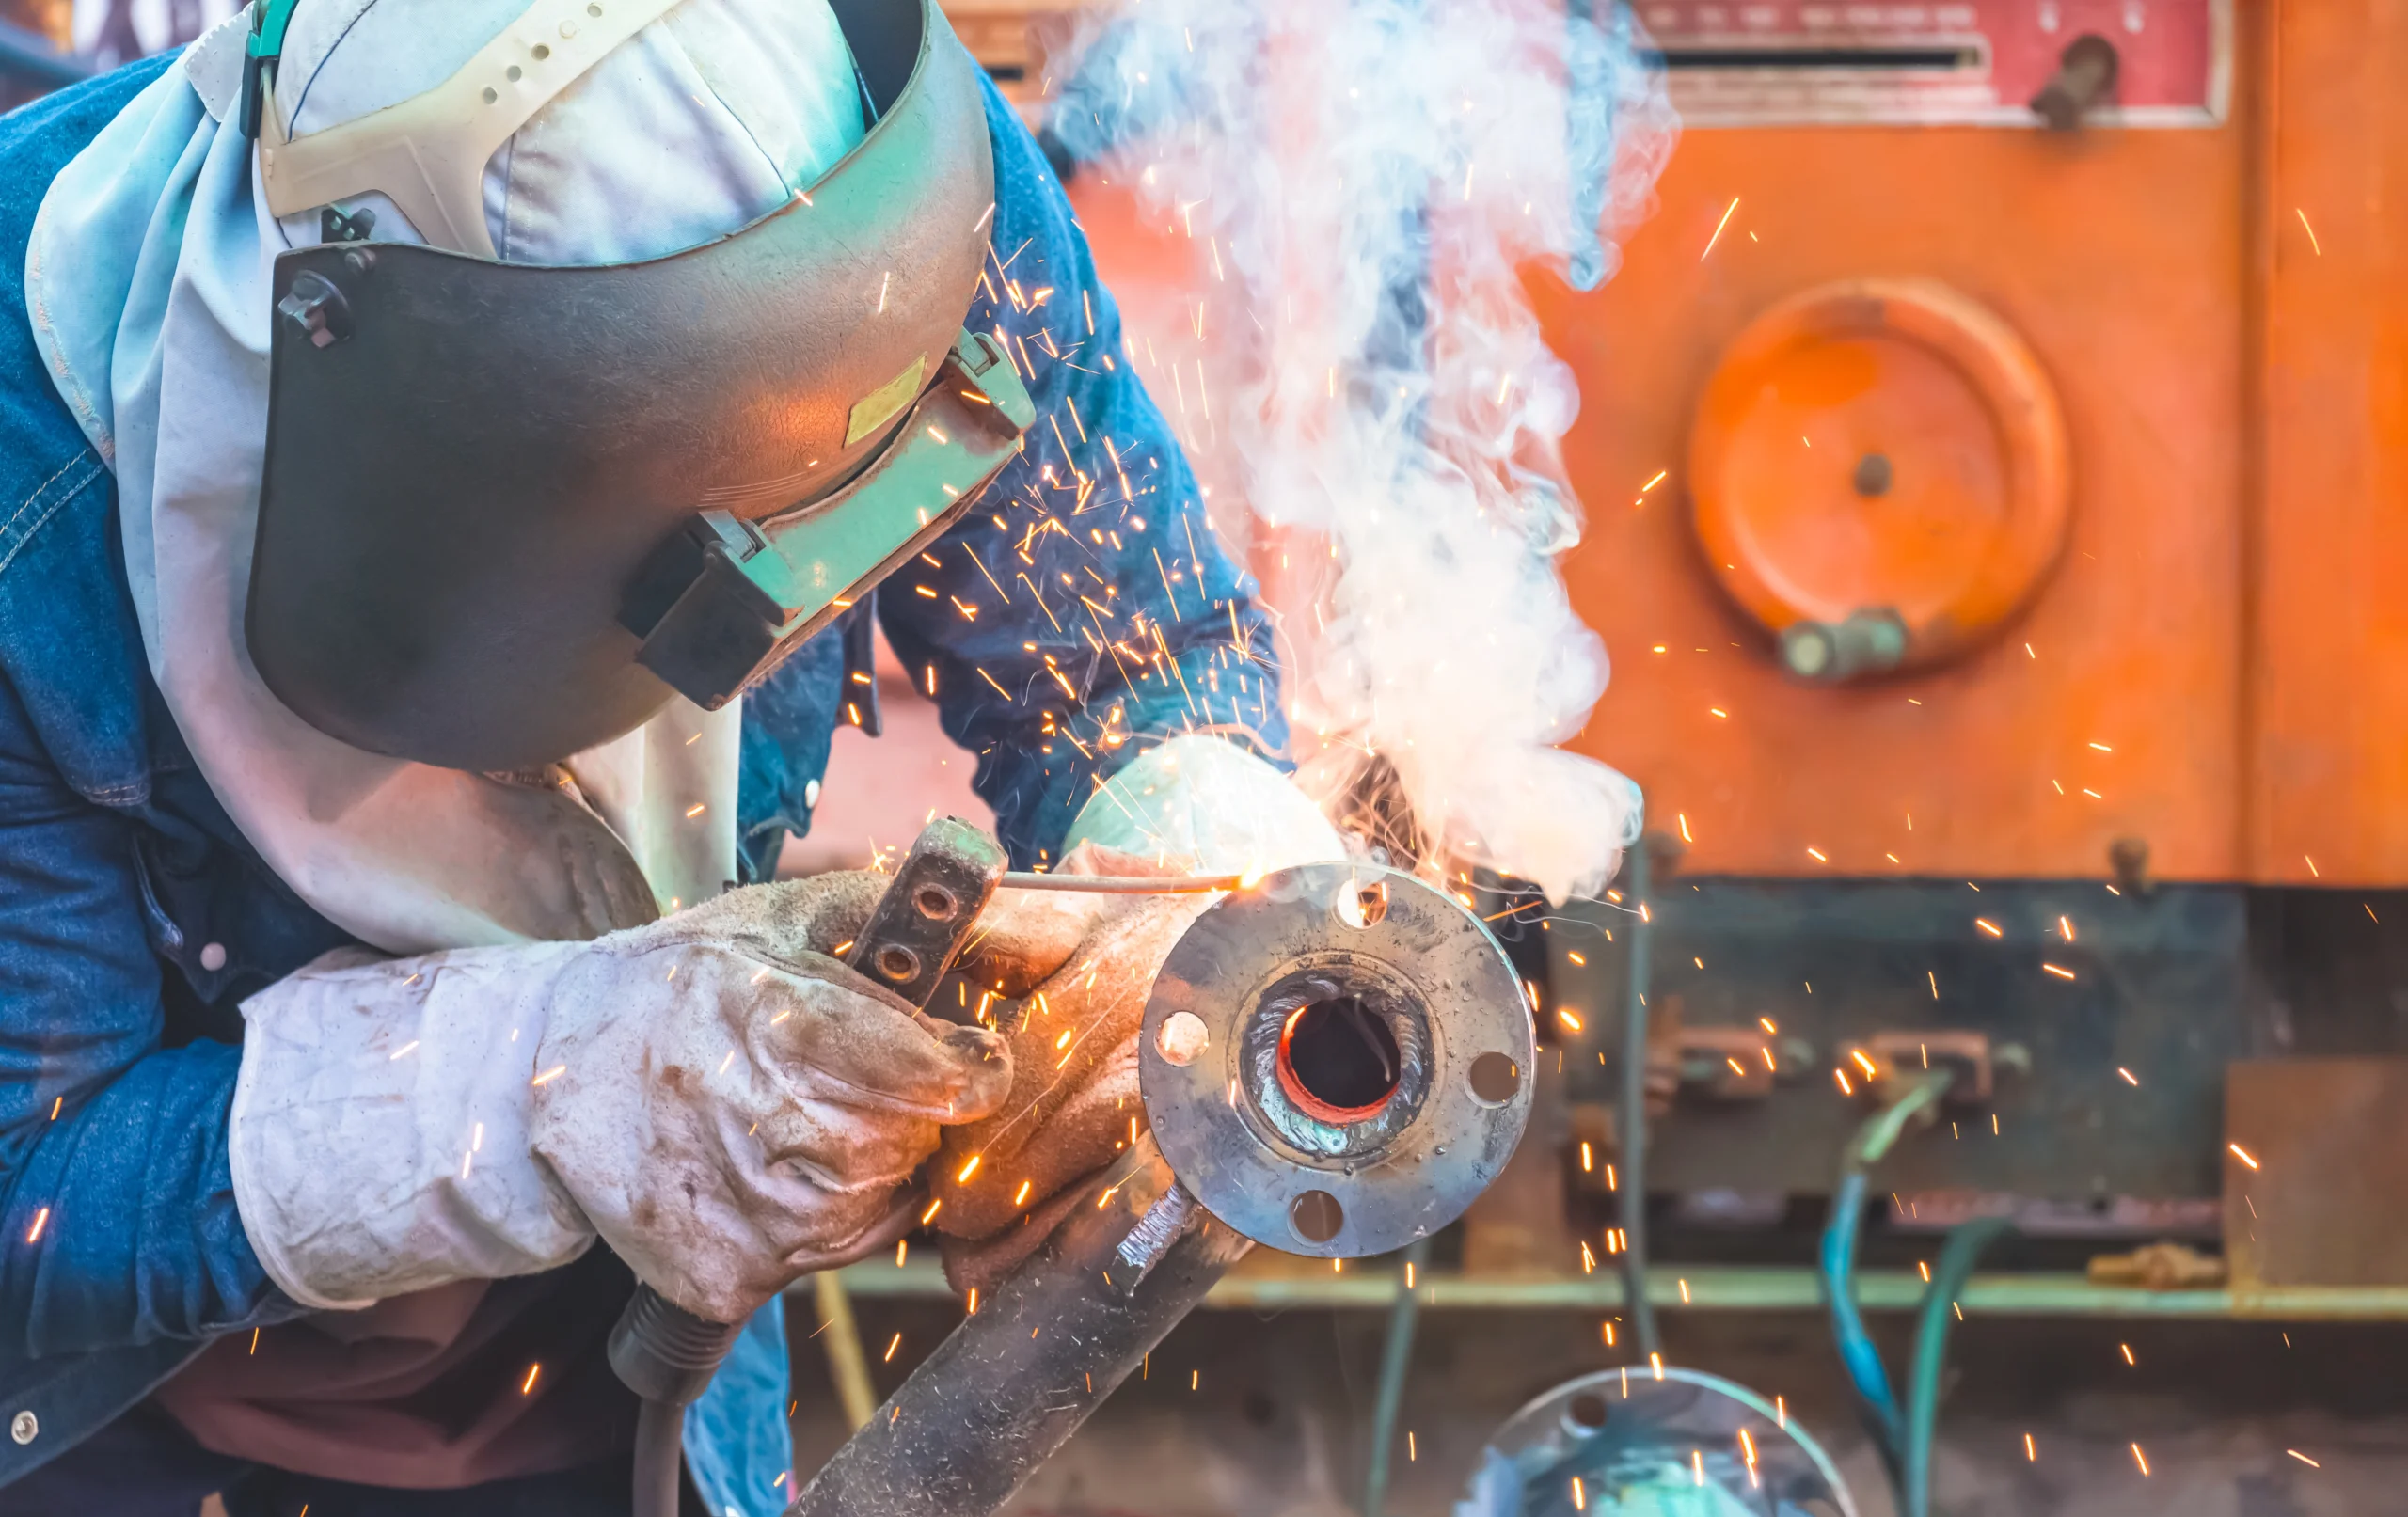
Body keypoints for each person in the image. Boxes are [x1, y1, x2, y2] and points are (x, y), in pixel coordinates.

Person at [0, 0, 1340, 1509]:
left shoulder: (871, 148)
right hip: (147, 1433)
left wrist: (1189, 854)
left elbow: (1126, 651)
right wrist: (552, 1083)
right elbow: (26, 1190)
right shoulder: (26, 464)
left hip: (653, 1401)